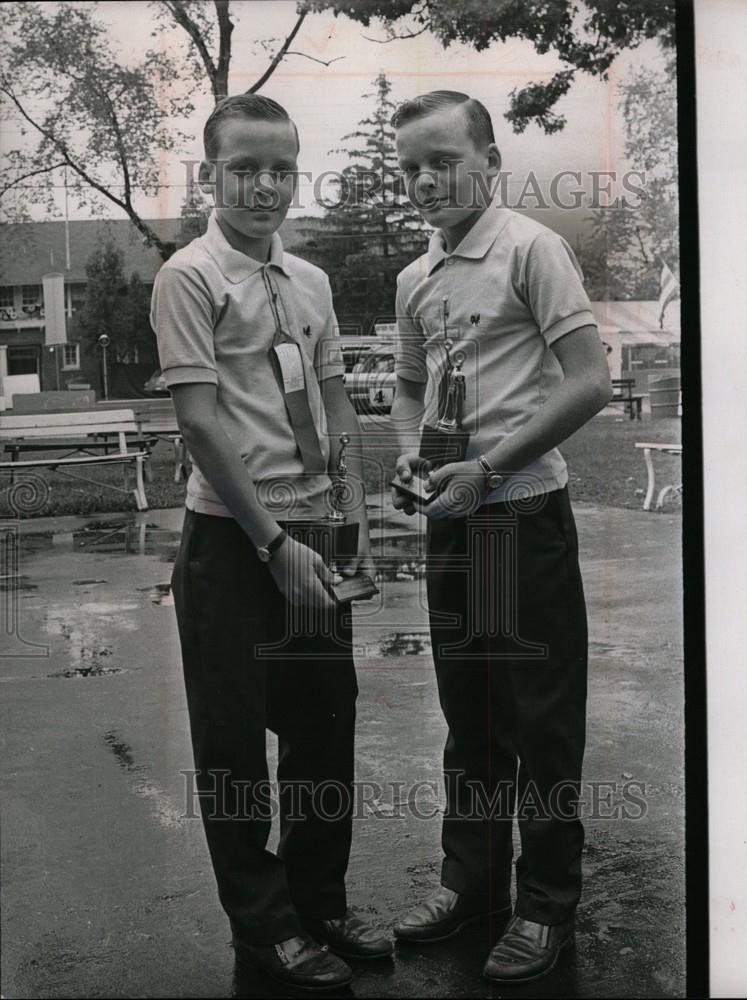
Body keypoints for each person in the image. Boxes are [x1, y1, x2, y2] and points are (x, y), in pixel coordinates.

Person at [150, 94, 392, 992]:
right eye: (243, 167)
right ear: (211, 173)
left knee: (325, 729)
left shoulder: (313, 283)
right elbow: (200, 426)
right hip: (230, 538)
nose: (264, 185)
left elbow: (334, 403)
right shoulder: (190, 278)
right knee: (233, 746)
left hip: (314, 526)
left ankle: (317, 899)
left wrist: (350, 510)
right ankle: (264, 926)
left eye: (280, 168)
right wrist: (270, 544)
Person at [389, 90, 612, 983]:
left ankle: (545, 903)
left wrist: (490, 467)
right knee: (469, 712)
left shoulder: (531, 248)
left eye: (441, 159)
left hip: (520, 517)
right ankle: (471, 883)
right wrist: (412, 459)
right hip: (454, 523)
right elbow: (408, 389)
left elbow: (589, 381)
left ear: (489, 161)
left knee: (540, 719)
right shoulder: (416, 278)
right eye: (408, 166)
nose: (425, 180)